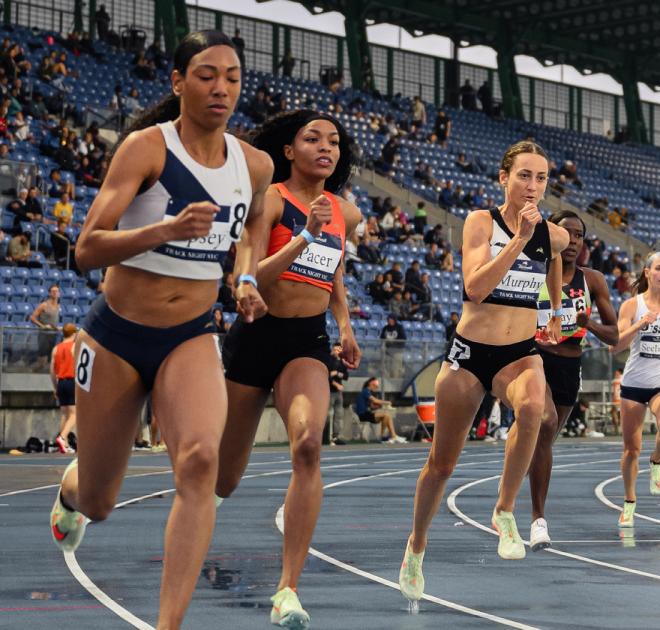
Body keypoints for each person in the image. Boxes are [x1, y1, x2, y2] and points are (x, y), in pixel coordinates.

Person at [47, 31, 271, 630]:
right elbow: (86, 249)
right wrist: (162, 232)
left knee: (199, 462)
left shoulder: (255, 164)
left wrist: (245, 281)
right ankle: (70, 493)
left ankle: (169, 624)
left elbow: (248, 237)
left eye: (231, 76)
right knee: (100, 499)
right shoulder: (146, 149)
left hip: (192, 334)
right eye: (205, 74)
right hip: (115, 335)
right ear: (177, 82)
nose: (220, 87)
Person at [398, 140, 568, 604]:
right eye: (524, 176)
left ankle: (504, 510)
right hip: (470, 352)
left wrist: (553, 309)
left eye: (541, 178)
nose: (533, 186)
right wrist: (517, 240)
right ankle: (416, 545)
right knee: (441, 464)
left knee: (535, 407)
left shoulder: (553, 234)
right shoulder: (480, 222)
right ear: (503, 179)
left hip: (519, 350)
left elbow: (554, 257)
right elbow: (474, 287)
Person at [214, 110, 363, 628]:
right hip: (256, 338)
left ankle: (287, 590)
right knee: (222, 480)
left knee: (307, 444)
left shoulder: (345, 211)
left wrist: (344, 323)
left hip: (308, 340)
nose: (326, 147)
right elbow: (249, 272)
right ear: (289, 151)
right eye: (313, 138)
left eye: (334, 142)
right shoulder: (272, 200)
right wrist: (303, 236)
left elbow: (335, 268)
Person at [526, 210, 618, 550]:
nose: (574, 240)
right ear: (551, 234)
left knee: (544, 440)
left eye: (579, 235)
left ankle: (521, 465)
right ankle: (538, 519)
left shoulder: (592, 281)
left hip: (569, 366)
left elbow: (614, 335)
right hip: (534, 358)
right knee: (546, 421)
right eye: (567, 233)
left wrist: (588, 323)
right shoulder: (532, 272)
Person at [611, 252, 660, 527]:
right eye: (659, 268)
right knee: (631, 449)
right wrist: (640, 324)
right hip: (634, 383)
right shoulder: (631, 306)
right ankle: (629, 502)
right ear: (647, 273)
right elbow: (615, 346)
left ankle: (656, 460)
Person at [50, 323, 79, 453]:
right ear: (74, 333)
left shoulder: (56, 348)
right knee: (74, 414)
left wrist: (55, 387)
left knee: (64, 414)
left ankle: (64, 444)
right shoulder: (75, 347)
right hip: (72, 381)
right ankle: (62, 437)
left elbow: (51, 371)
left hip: (61, 382)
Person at [355, 377, 402, 442]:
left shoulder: (368, 392)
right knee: (386, 414)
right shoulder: (365, 391)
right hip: (363, 415)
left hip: (367, 414)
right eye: (375, 386)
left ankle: (392, 436)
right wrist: (387, 402)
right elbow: (375, 400)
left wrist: (378, 406)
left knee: (387, 416)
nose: (376, 388)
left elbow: (372, 406)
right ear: (371, 384)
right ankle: (384, 436)